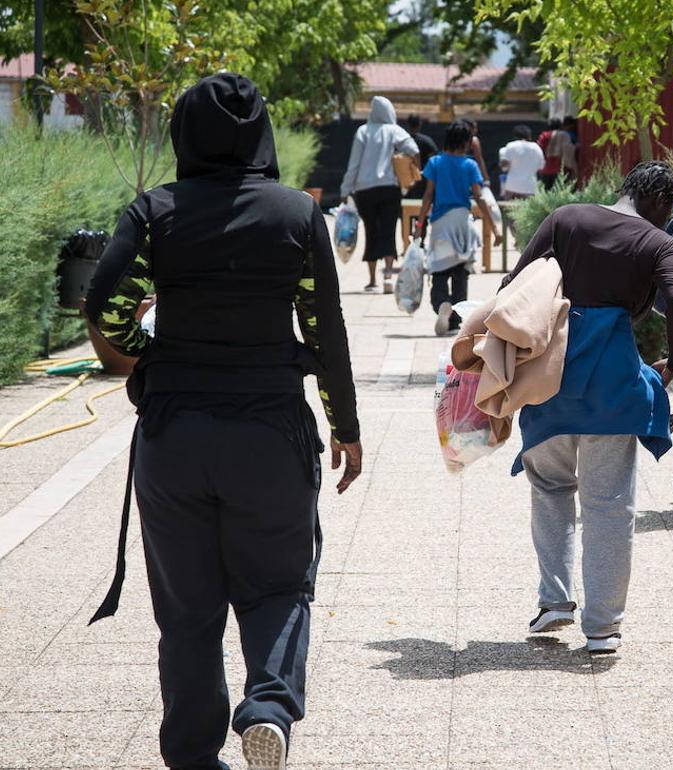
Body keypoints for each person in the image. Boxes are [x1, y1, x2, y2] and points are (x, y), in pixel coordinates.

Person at [84, 74, 362, 770]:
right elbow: (323, 327)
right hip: (269, 432)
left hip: (174, 434)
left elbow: (104, 301)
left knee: (186, 611)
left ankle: (191, 756)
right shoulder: (296, 215)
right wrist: (346, 427)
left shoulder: (156, 211)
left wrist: (154, 355)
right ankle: (267, 707)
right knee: (278, 587)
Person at [507, 161, 673, 655]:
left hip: (549, 383)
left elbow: (516, 284)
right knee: (609, 505)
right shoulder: (657, 243)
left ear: (625, 188)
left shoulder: (567, 219)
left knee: (549, 488)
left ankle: (555, 601)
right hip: (613, 387)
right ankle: (603, 628)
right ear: (662, 202)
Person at [419, 119, 494, 336]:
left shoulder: (434, 163)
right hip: (462, 221)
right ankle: (455, 319)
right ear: (466, 142)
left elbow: (428, 196)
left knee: (440, 269)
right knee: (461, 273)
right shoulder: (470, 165)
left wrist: (420, 224)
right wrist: (494, 228)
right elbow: (479, 197)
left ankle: (442, 302)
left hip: (441, 223)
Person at [341, 95, 420, 291]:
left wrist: (345, 189)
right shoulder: (394, 130)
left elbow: (354, 164)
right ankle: (387, 275)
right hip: (389, 188)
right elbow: (414, 149)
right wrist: (413, 171)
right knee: (388, 230)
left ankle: (372, 281)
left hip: (364, 190)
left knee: (371, 232)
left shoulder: (362, 131)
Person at [498, 124, 546, 200]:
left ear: (514, 136)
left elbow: (504, 166)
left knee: (508, 210)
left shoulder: (510, 146)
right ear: (529, 136)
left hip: (512, 186)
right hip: (530, 187)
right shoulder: (536, 148)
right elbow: (541, 166)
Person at [403, 113, 441, 200]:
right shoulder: (427, 141)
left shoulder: (402, 140)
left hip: (405, 178)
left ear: (407, 124)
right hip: (423, 180)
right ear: (420, 124)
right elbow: (434, 159)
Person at [464, 118, 491, 188]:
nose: (476, 130)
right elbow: (479, 159)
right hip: (471, 173)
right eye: (475, 127)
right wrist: (486, 178)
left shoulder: (454, 139)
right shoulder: (474, 140)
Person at [537, 118, 562, 189]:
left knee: (545, 190)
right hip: (559, 167)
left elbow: (540, 149)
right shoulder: (563, 135)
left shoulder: (544, 136)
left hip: (545, 167)